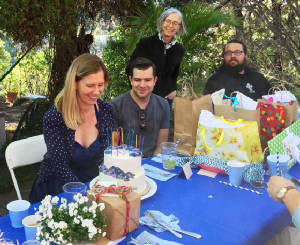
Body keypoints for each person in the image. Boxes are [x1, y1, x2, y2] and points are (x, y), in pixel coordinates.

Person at [29, 53, 114, 203]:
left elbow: (107, 155)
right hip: (56, 192)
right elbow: (61, 167)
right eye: (90, 85)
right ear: (74, 83)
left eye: (100, 85)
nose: (96, 91)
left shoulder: (106, 110)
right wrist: (86, 195)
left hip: (93, 188)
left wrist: (107, 186)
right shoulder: (54, 117)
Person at [127, 8, 186, 109]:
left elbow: (174, 73)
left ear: (180, 27)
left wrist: (174, 89)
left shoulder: (180, 49)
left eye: (175, 23)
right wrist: (138, 92)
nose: (171, 26)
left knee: (162, 125)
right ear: (162, 22)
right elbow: (130, 69)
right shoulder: (145, 43)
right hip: (143, 97)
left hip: (165, 99)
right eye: (168, 21)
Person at [111, 57, 170, 158]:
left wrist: (150, 166)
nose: (142, 85)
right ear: (130, 80)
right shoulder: (115, 105)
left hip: (153, 164)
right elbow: (114, 147)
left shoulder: (163, 105)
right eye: (137, 80)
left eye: (147, 80)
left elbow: (161, 146)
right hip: (125, 164)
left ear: (155, 80)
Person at [203, 39, 271, 100]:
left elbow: (272, 103)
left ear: (245, 55)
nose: (232, 56)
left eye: (237, 52)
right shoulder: (214, 81)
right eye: (228, 53)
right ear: (224, 56)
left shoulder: (259, 79)